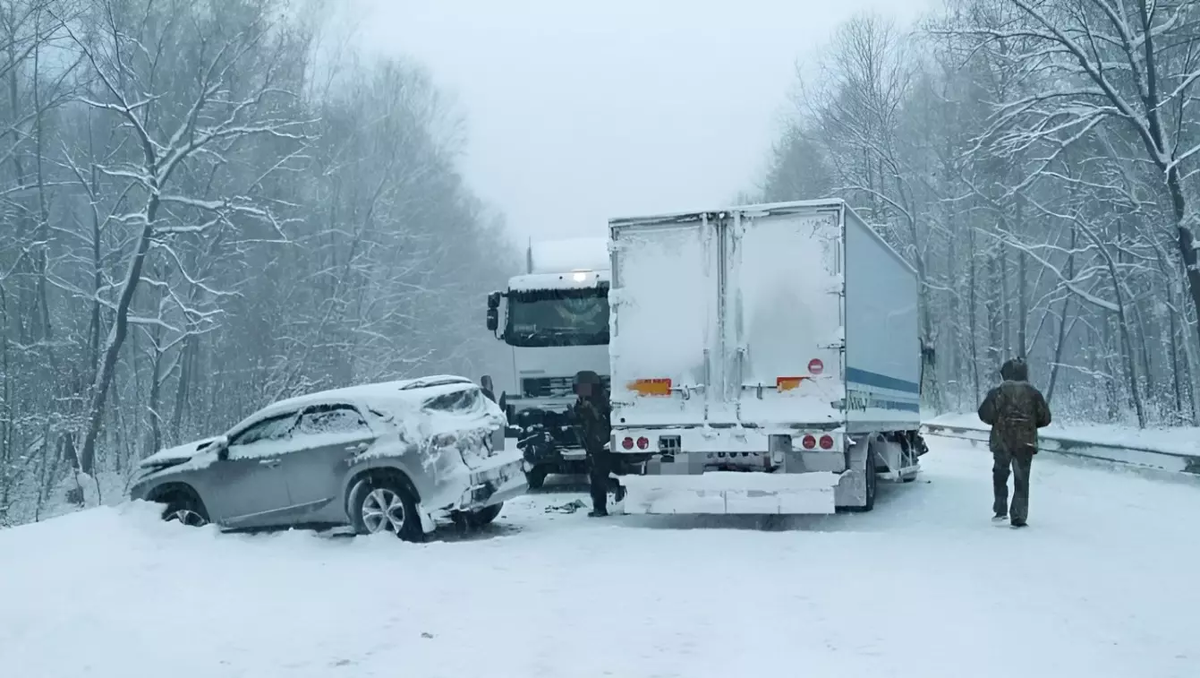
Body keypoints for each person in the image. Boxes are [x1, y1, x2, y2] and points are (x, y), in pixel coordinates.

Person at [977, 357, 1052, 528]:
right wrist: (1029, 424)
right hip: (1025, 443)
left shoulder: (998, 392)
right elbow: (1046, 418)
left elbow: (984, 414)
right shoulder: (1034, 394)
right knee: (1022, 478)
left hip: (1002, 441)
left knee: (1000, 474)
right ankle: (1018, 516)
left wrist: (999, 421)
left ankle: (1000, 508)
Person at [571, 370, 618, 517]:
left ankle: (602, 505)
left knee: (598, 476)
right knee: (596, 476)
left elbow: (602, 419)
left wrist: (589, 410)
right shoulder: (583, 400)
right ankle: (601, 504)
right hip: (593, 443)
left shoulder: (603, 399)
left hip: (602, 444)